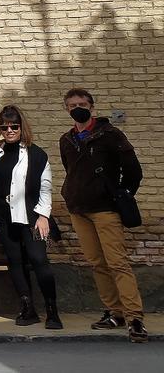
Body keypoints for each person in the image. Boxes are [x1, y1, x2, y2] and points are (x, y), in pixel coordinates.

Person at [58, 88, 147, 343]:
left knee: (117, 262)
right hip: (79, 209)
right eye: (73, 104)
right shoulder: (67, 139)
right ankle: (114, 312)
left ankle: (135, 317)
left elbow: (133, 170)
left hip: (105, 209)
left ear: (92, 106)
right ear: (67, 109)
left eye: (83, 103)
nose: (78, 108)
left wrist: (123, 194)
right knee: (98, 263)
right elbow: (71, 170)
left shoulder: (110, 134)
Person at [0, 106, 62, 329]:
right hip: (4, 217)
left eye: (14, 126)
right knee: (15, 262)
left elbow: (46, 187)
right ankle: (27, 308)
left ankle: (52, 311)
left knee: (39, 260)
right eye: (4, 127)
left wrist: (43, 216)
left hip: (31, 216)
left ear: (22, 127)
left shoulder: (36, 153)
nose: (9, 130)